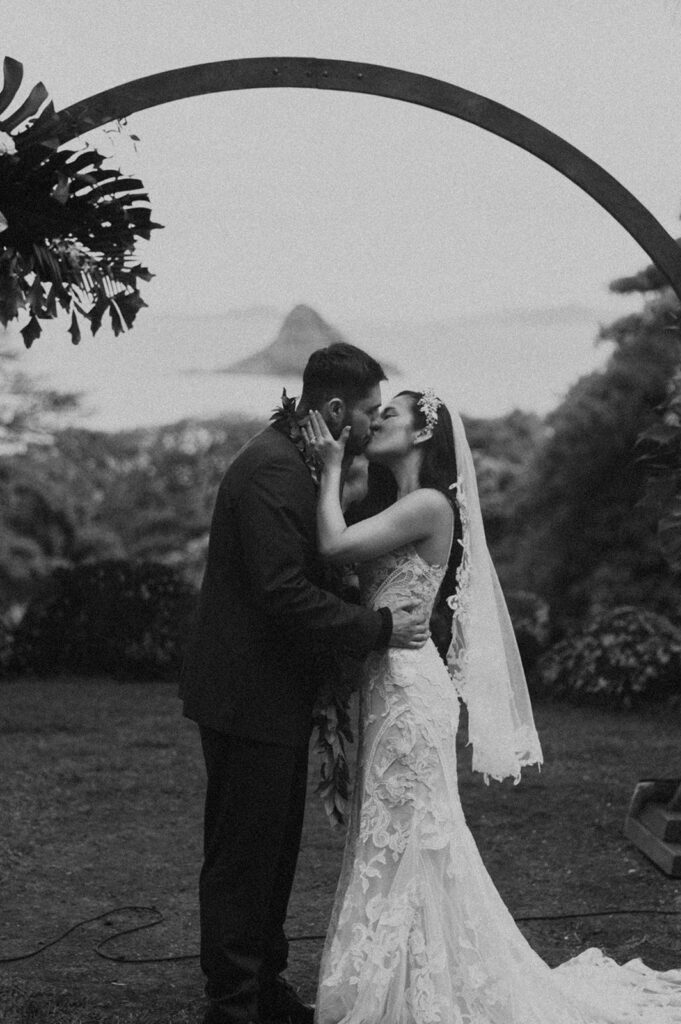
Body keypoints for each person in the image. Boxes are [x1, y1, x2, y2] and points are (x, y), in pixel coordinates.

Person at [302, 389, 681, 1024]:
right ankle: (401, 982)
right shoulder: (397, 502)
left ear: (422, 434)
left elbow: (334, 548)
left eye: (390, 414)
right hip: (390, 685)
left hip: (410, 692)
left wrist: (331, 465)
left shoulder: (426, 503)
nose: (376, 420)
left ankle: (411, 992)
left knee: (412, 839)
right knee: (393, 839)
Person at [179, 344, 430, 1024]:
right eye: (371, 411)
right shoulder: (271, 472)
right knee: (243, 854)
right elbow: (282, 592)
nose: (375, 424)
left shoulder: (301, 463)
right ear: (335, 410)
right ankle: (232, 1004)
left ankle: (264, 985)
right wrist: (376, 628)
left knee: (275, 846)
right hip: (244, 691)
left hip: (273, 691)